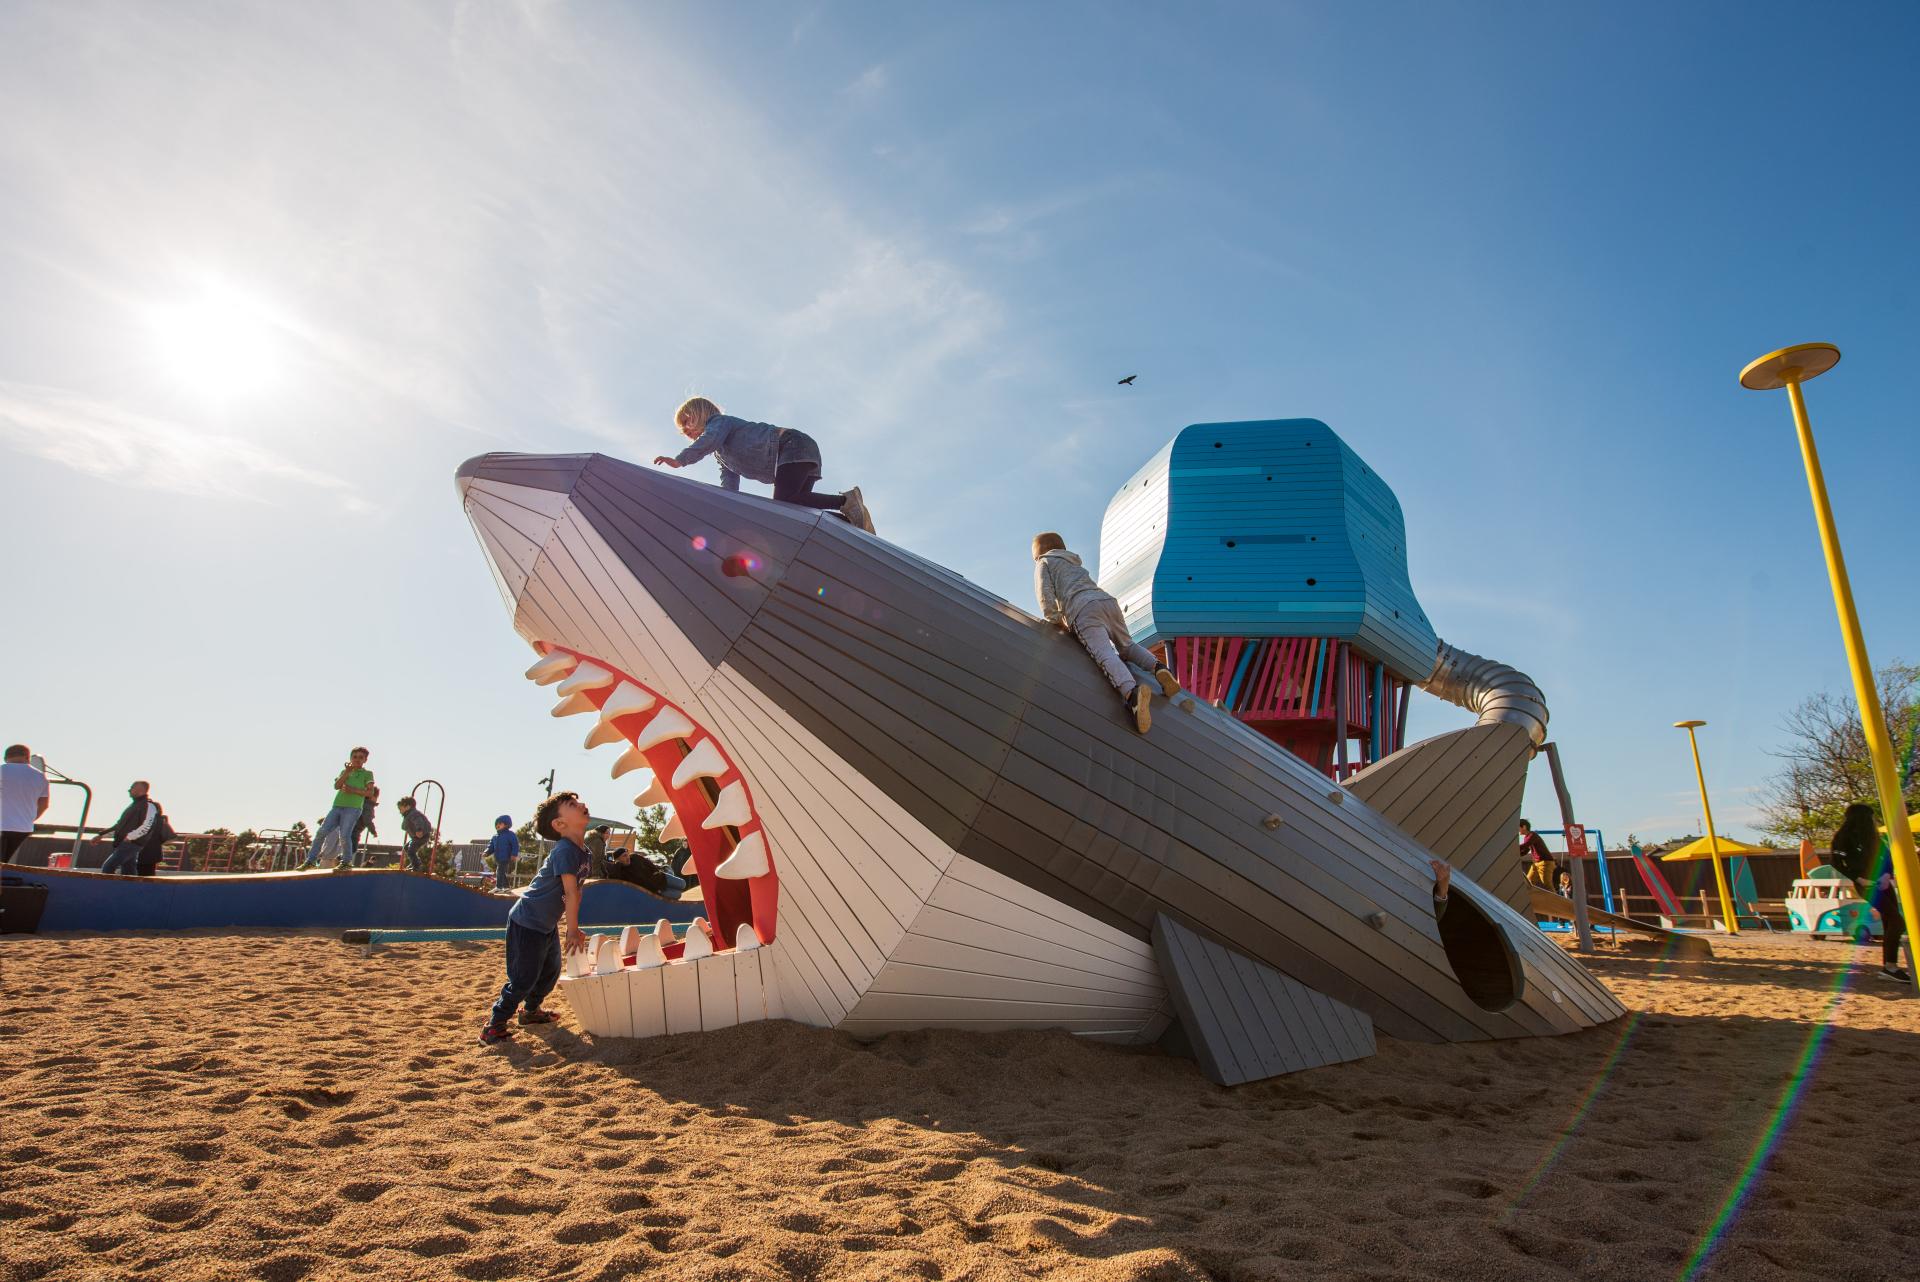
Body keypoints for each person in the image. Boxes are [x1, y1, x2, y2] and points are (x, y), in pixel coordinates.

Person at [652, 397, 875, 533]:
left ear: (701, 413)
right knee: (796, 511)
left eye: (686, 422)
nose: (685, 430)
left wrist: (680, 460)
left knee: (783, 503)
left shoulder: (719, 424)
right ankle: (852, 520)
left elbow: (708, 441)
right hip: (798, 455)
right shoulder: (722, 456)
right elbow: (729, 488)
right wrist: (724, 512)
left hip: (792, 446)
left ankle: (847, 501)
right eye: (681, 429)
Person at [1032, 532, 1181, 734]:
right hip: (1107, 602)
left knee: (1105, 654)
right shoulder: (1073, 562)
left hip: (1082, 609)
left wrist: (1058, 622)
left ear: (1038, 553)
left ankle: (1133, 695)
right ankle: (1159, 668)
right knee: (1127, 646)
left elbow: (1046, 599)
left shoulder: (1044, 563)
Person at [479, 792, 590, 1045]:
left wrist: (572, 927)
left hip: (545, 924)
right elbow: (570, 892)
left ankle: (530, 1012)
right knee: (523, 979)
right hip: (527, 922)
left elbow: (577, 892)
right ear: (559, 824)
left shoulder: (583, 853)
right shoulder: (564, 850)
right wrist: (571, 931)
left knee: (549, 973)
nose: (582, 805)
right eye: (572, 805)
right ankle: (494, 1025)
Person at [1830, 803, 1912, 984]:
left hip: (1882, 883)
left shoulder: (1874, 838)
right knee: (1897, 922)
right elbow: (1836, 862)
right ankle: (1890, 966)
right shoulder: (1844, 838)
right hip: (1866, 885)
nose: (1873, 821)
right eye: (1870, 817)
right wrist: (1858, 878)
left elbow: (1888, 856)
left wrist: (1887, 875)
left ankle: (1889, 967)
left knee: (1891, 920)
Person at [298, 748, 375, 870]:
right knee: (321, 832)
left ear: (365, 760)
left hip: (353, 808)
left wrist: (353, 790)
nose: (357, 759)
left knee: (344, 835)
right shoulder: (345, 771)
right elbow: (337, 786)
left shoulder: (367, 774)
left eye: (361, 757)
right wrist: (346, 772)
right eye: (354, 757)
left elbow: (370, 793)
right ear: (350, 758)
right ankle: (310, 860)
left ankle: (346, 862)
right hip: (337, 806)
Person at [101, 781, 169, 876]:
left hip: (132, 843)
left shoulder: (149, 806)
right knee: (128, 869)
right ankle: (129, 888)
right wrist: (101, 835)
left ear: (140, 789)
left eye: (132, 787)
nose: (129, 790)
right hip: (126, 843)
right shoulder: (133, 806)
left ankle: (108, 889)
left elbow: (147, 826)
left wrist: (130, 837)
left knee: (108, 867)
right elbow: (120, 825)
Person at [1, 744, 50, 864]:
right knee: (3, 862)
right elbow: (44, 805)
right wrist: (29, 819)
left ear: (6, 757)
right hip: (22, 828)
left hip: (1, 825)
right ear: (27, 757)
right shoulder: (40, 777)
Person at [397, 796, 434, 874]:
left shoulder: (413, 814)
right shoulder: (409, 814)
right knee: (407, 847)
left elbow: (418, 821)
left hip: (421, 836)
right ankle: (416, 863)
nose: (400, 811)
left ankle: (417, 866)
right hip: (416, 837)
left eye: (400, 809)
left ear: (407, 807)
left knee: (411, 851)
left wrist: (419, 830)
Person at [1517, 819, 1557, 892]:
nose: (1518, 830)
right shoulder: (1527, 837)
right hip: (1537, 863)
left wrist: (1513, 848)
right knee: (1528, 882)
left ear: (1524, 827)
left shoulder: (1532, 835)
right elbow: (1525, 851)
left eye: (1518, 828)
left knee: (1547, 884)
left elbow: (1525, 845)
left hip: (1545, 863)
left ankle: (1557, 901)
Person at [485, 815, 519, 889]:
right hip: (497, 858)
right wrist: (486, 852)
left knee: (499, 871)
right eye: (496, 824)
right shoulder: (495, 836)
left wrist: (514, 854)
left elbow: (515, 845)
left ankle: (499, 887)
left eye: (500, 824)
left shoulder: (510, 834)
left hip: (506, 857)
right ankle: (506, 887)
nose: (497, 825)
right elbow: (491, 846)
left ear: (506, 824)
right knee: (501, 872)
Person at [353, 784, 380, 867]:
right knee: (353, 847)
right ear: (372, 797)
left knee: (347, 844)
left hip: (349, 827)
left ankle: (343, 859)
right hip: (356, 829)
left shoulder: (359, 802)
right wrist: (373, 831)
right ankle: (345, 861)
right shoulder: (369, 806)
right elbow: (367, 820)